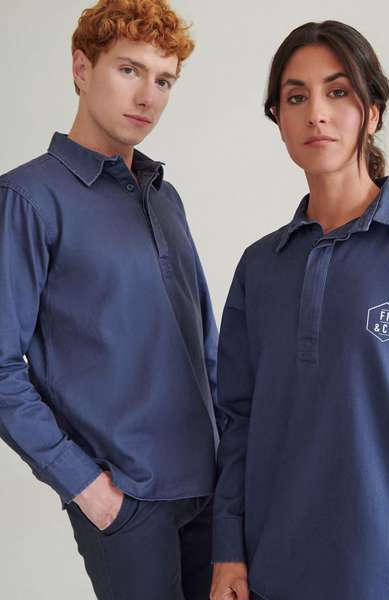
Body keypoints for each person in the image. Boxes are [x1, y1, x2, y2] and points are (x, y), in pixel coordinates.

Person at [210, 20, 389, 600]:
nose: (316, 114)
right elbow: (238, 422)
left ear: (372, 112)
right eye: (296, 97)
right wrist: (228, 552)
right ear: (278, 119)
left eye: (338, 92)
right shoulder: (260, 266)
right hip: (269, 578)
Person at [0, 1, 220, 599]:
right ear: (81, 68)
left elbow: (204, 344)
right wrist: (88, 489)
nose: (148, 96)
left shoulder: (164, 197)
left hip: (210, 490)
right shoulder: (27, 198)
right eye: (129, 70)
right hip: (127, 502)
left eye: (164, 80)